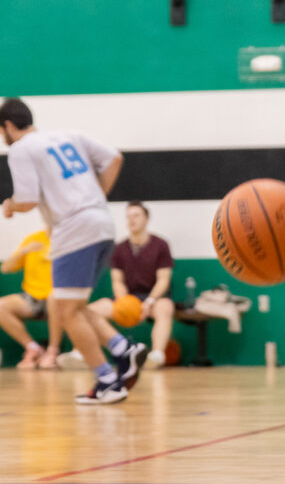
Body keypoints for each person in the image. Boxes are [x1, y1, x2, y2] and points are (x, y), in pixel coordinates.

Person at [0, 97, 147, 404]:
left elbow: (27, 199)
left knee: (65, 311)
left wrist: (10, 206)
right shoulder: (69, 135)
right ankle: (123, 349)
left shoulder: (22, 149)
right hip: (102, 224)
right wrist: (94, 199)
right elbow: (115, 158)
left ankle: (107, 380)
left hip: (74, 231)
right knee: (75, 307)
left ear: (9, 126)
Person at [89, 201, 175, 369]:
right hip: (127, 297)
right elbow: (117, 281)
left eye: (136, 215)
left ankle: (157, 355)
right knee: (90, 311)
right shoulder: (119, 248)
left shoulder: (161, 245)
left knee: (166, 307)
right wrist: (125, 303)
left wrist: (149, 301)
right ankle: (84, 353)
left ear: (147, 219)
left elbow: (163, 280)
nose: (131, 220)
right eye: (128, 216)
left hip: (152, 298)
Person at [0, 230, 63, 369]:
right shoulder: (34, 239)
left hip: (60, 297)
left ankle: (52, 352)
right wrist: (23, 251)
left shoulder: (70, 239)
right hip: (32, 296)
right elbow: (5, 268)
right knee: (1, 307)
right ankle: (33, 349)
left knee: (53, 297)